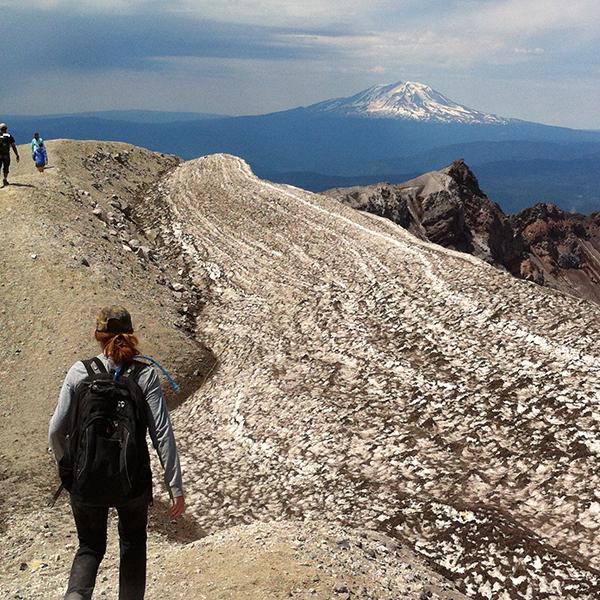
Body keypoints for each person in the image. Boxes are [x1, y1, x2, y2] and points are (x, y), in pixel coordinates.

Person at [49, 305, 185, 600]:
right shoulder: (145, 376)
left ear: (98, 336)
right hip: (131, 482)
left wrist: (68, 470)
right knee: (133, 544)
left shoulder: (79, 372)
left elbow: (55, 430)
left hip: (85, 481)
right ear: (130, 334)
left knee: (90, 547)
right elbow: (162, 433)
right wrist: (175, 485)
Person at [0, 123, 20, 187]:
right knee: (6, 167)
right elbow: (13, 146)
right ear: (6, 129)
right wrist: (17, 154)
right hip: (6, 154)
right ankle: (5, 179)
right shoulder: (8, 135)